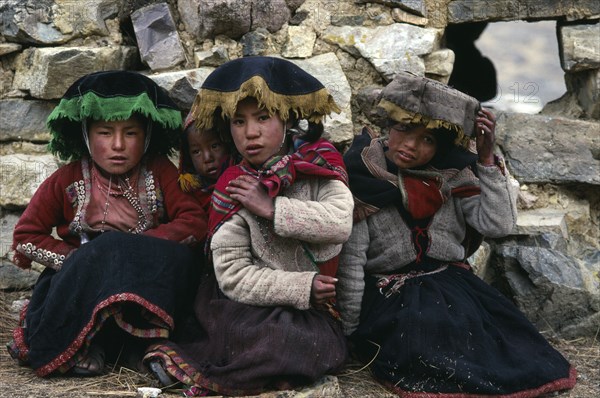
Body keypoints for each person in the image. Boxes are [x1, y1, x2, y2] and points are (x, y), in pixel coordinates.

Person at [336, 71, 577, 397]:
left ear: (442, 146)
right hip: (391, 295)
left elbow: (499, 225)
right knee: (428, 338)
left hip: (450, 284)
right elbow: (351, 265)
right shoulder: (364, 176)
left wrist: (487, 159)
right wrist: (350, 331)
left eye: (428, 139)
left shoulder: (452, 176)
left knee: (504, 339)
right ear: (389, 125)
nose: (410, 145)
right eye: (404, 129)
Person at [143, 56, 354, 396]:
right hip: (245, 304)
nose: (250, 133)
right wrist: (300, 286)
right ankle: (231, 372)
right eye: (239, 122)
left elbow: (340, 223)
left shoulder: (318, 163)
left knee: (312, 345)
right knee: (258, 336)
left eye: (263, 118)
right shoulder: (234, 185)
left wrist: (273, 209)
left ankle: (254, 373)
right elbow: (231, 273)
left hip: (311, 309)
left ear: (286, 118)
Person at [7, 70, 207, 378]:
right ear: (87, 135)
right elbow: (26, 235)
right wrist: (79, 259)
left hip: (145, 276)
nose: (117, 145)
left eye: (130, 133)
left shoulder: (160, 171)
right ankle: (92, 344)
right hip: (87, 279)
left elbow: (193, 222)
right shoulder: (66, 179)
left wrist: (134, 249)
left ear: (147, 136)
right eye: (104, 132)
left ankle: (137, 346)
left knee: (174, 261)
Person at [177, 111, 235, 213]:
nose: (208, 158)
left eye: (214, 146)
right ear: (188, 158)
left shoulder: (241, 181)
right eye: (196, 152)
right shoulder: (191, 194)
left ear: (227, 143)